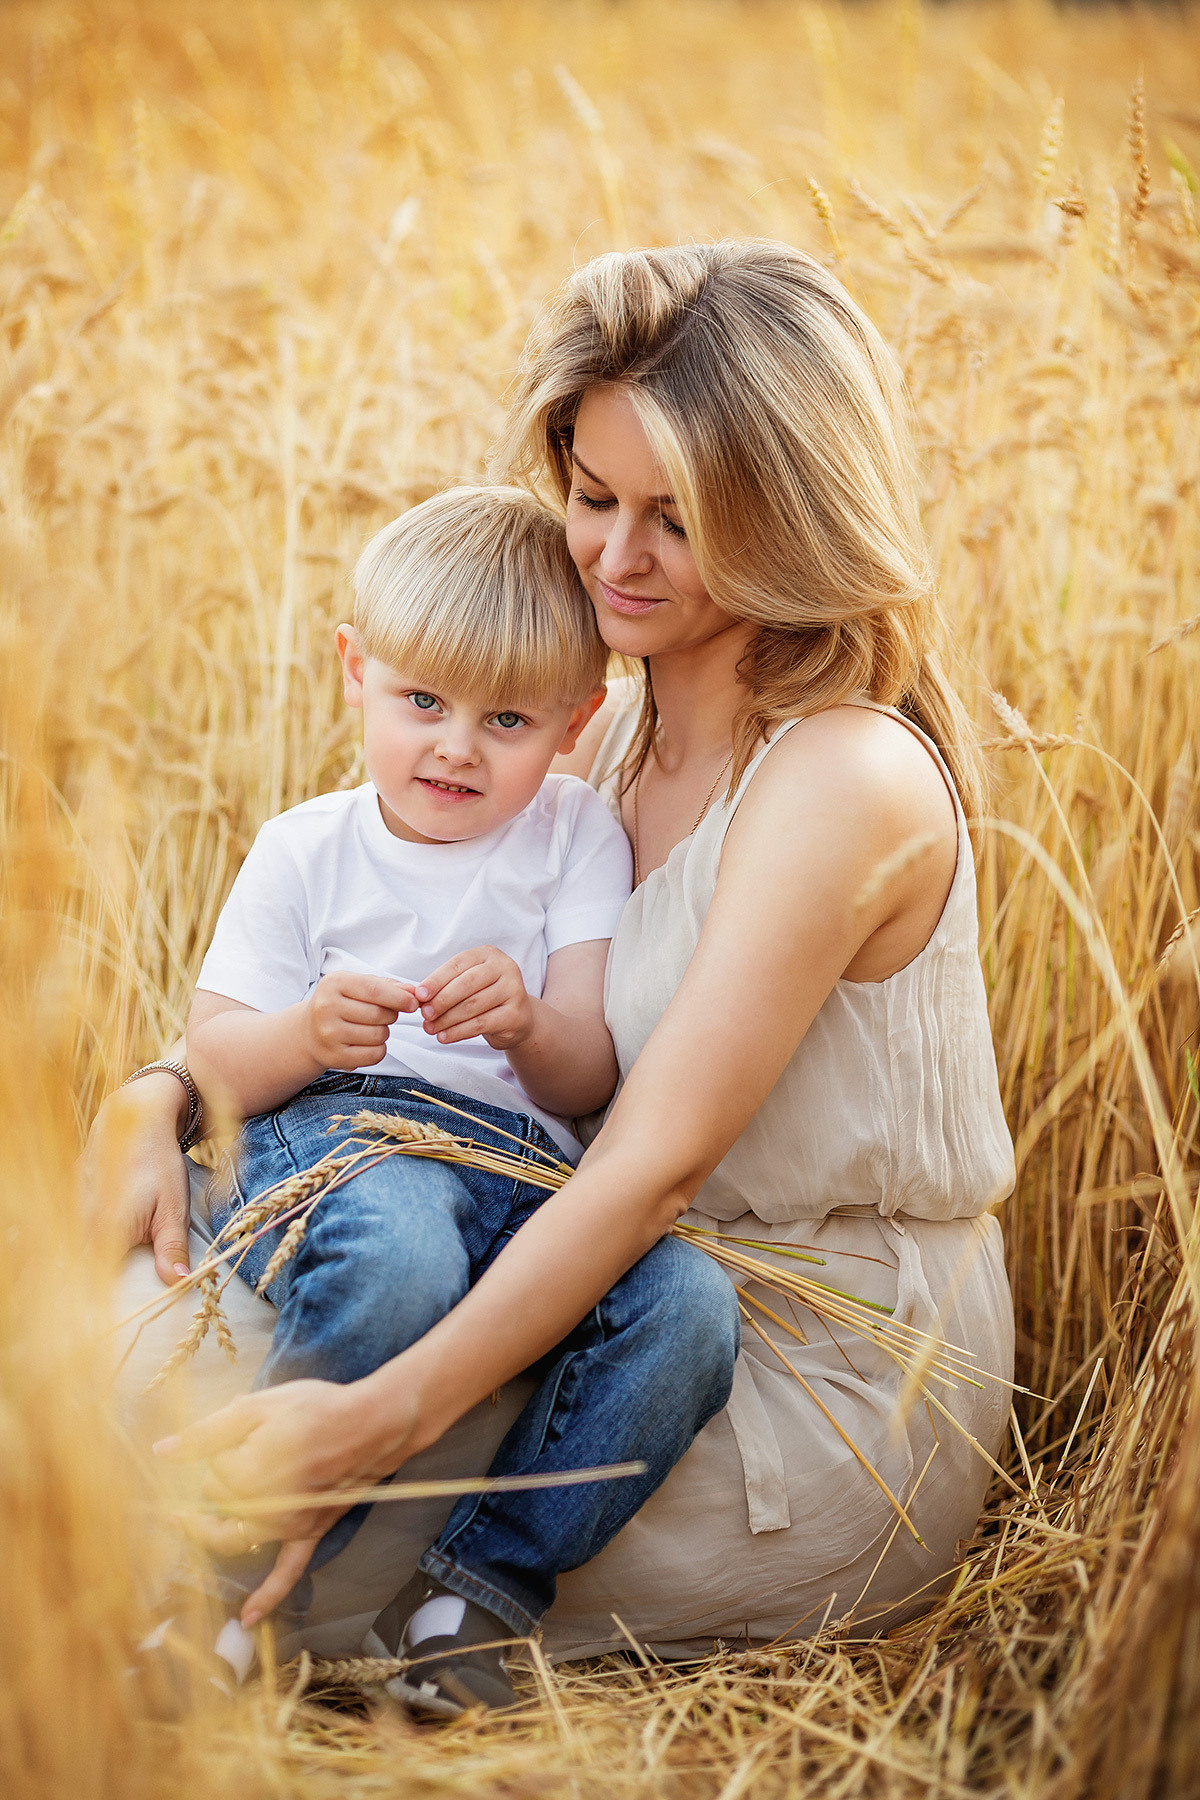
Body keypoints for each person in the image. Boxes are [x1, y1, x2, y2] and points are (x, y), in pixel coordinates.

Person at [95, 239, 1015, 1683]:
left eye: (679, 519)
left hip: (792, 1362)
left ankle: (359, 1614)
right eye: (594, 498)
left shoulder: (842, 776)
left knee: (146, 1458)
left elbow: (650, 1170)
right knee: (120, 1341)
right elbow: (407, 984)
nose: (615, 559)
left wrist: (375, 1419)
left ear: (790, 514)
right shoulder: (605, 734)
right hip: (565, 1258)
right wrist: (160, 1090)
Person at [135, 482, 741, 1711]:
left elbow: (589, 1072)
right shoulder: (306, 848)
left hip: (519, 1169)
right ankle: (230, 1594)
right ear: (355, 670)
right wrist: (308, 1033)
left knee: (689, 1304)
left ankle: (471, 1599)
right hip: (342, 1141)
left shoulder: (574, 834)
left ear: (575, 721)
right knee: (400, 1246)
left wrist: (525, 1023)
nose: (457, 746)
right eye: (422, 702)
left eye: (506, 718)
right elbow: (218, 1069)